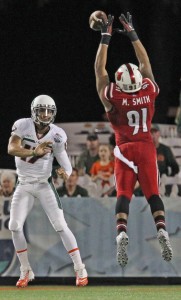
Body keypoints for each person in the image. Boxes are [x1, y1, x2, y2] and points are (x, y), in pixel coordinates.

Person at [93, 12, 173, 267]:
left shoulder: (113, 95)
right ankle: (161, 229)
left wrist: (105, 38)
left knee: (124, 195)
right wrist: (133, 34)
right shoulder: (148, 89)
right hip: (146, 147)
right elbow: (146, 63)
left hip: (124, 150)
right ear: (139, 80)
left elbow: (99, 71)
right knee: (153, 194)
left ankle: (122, 233)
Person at [7, 95, 88, 287]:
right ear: (33, 111)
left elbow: (65, 161)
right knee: (14, 226)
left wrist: (65, 171)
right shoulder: (22, 125)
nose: (45, 115)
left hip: (44, 184)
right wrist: (34, 152)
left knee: (60, 225)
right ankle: (25, 270)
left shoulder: (58, 134)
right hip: (24, 184)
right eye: (41, 110)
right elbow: (12, 148)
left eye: (49, 111)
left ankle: (80, 268)